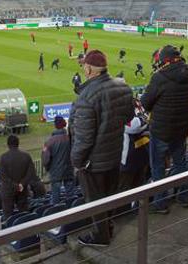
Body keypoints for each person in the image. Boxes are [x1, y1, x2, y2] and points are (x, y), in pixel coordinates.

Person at [69, 50, 134, 247]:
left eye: (84, 67)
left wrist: (77, 162)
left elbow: (84, 139)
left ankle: (100, 237)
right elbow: (129, 117)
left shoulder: (86, 98)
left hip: (93, 162)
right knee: (109, 196)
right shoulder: (123, 88)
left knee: (95, 200)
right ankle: (109, 228)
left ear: (88, 69)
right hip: (115, 153)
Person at [141, 45, 188, 213]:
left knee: (157, 166)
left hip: (161, 130)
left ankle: (160, 203)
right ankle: (184, 197)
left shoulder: (159, 77)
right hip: (180, 129)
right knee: (180, 163)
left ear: (164, 61)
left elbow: (145, 102)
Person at [117, 101, 150, 209]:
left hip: (130, 160)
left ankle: (127, 210)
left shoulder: (124, 118)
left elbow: (133, 126)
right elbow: (140, 122)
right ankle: (131, 208)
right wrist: (144, 119)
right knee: (135, 185)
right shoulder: (141, 116)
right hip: (138, 158)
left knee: (128, 187)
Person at [0, 135, 37, 219]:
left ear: (8, 144)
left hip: (9, 191)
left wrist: (16, 185)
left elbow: (3, 176)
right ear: (18, 143)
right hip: (22, 189)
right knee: (24, 215)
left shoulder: (3, 158)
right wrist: (21, 184)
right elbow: (31, 173)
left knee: (8, 217)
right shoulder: (26, 156)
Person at [43, 116, 73, 205]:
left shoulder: (49, 141)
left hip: (56, 173)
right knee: (70, 197)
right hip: (69, 171)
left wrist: (48, 168)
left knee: (55, 198)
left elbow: (45, 159)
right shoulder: (70, 138)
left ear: (55, 125)